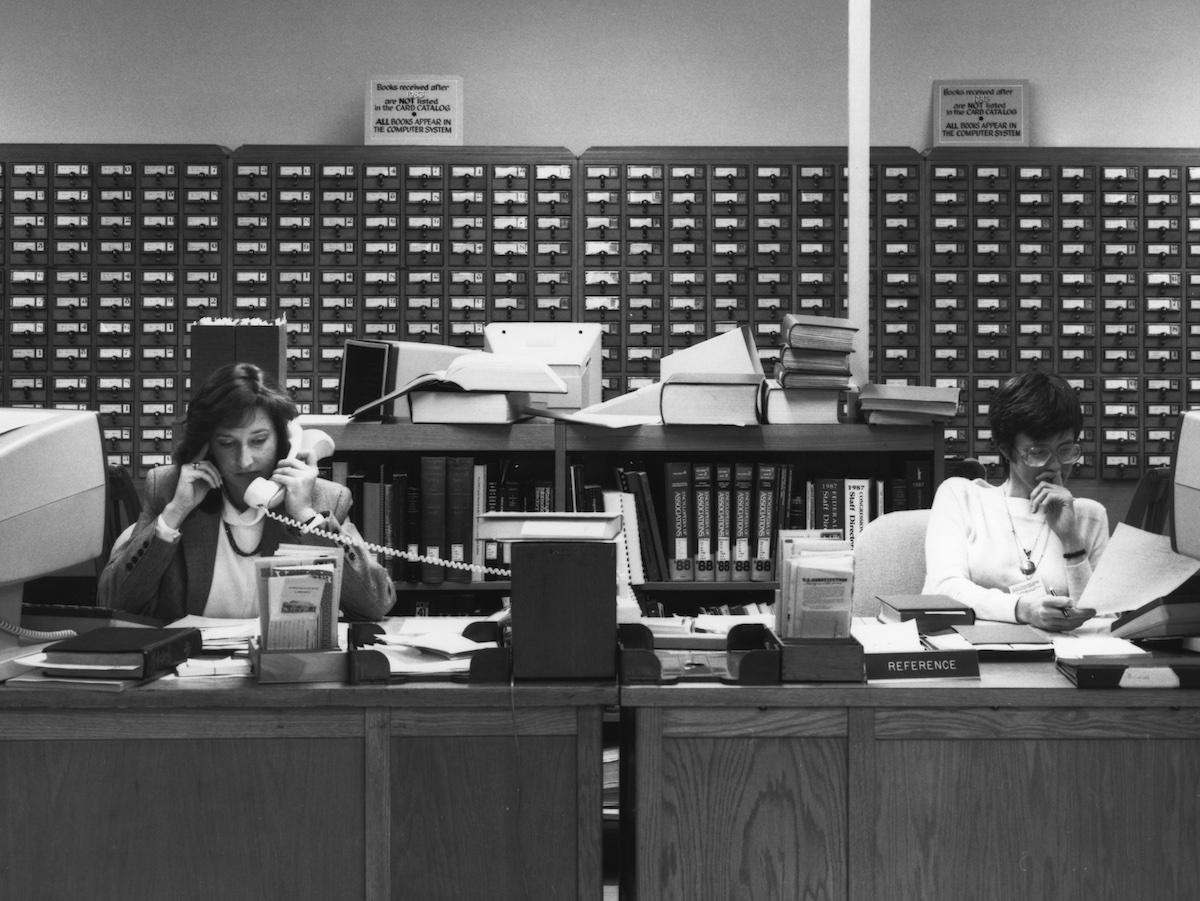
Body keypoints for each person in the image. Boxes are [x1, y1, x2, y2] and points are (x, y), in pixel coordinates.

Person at [98, 362, 394, 622]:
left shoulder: (323, 500)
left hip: (281, 672)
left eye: (259, 440)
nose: (244, 460)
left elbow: (375, 604)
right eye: (227, 443)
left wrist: (306, 517)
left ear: (283, 441)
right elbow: (113, 604)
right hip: (189, 670)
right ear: (207, 446)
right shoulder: (167, 489)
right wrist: (174, 514)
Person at [922, 370, 1109, 631]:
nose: (1054, 465)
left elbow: (1100, 620)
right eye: (1038, 452)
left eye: (1065, 450)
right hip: (975, 654)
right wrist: (1024, 609)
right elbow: (942, 589)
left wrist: (1071, 540)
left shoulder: (1090, 515)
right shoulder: (961, 497)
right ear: (1005, 449)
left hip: (1059, 659)